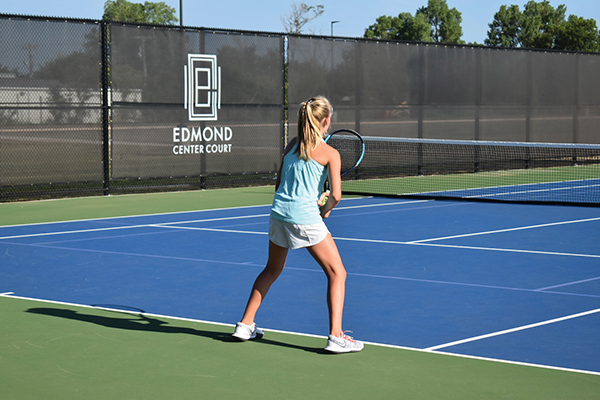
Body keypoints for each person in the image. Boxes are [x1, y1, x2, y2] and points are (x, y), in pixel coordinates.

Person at [232, 96, 363, 353]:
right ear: (326, 121)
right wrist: (324, 208)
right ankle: (336, 337)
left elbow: (280, 184)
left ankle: (245, 325)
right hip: (305, 217)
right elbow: (336, 195)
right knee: (338, 273)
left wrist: (315, 199)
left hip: (278, 214)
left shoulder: (292, 145)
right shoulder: (331, 154)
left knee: (271, 269)